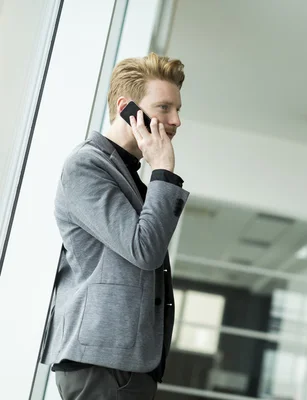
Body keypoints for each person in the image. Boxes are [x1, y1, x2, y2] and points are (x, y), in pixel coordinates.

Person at [39, 52, 190, 399]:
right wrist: (164, 170)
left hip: (123, 363)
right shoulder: (86, 166)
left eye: (178, 110)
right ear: (127, 107)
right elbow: (144, 249)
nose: (176, 121)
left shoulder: (126, 173)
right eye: (164, 107)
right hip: (103, 363)